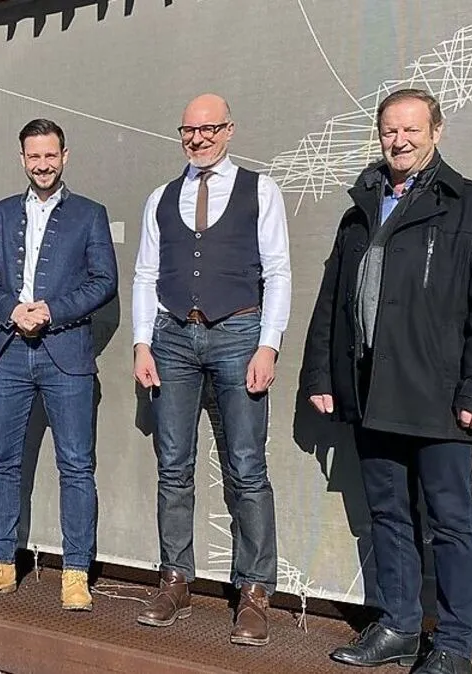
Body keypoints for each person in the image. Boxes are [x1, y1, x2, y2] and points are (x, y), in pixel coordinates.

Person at [301, 88, 472, 674]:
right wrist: (323, 374)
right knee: (389, 514)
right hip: (371, 390)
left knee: (451, 521)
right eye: (389, 131)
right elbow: (333, 301)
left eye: (411, 130)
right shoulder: (360, 210)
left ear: (436, 132)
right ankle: (398, 627)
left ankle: (453, 646)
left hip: (440, 397)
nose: (399, 141)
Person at [131, 94, 292, 645]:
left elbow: (278, 272)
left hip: (239, 335)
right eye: (188, 131)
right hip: (173, 337)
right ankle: (175, 579)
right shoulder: (160, 198)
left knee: (246, 466)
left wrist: (268, 345)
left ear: (229, 130)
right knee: (173, 465)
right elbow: (146, 274)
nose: (198, 139)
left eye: (209, 129)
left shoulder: (260, 190)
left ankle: (254, 590)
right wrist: (142, 342)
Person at [0, 118, 118, 611]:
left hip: (66, 353)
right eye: (34, 156)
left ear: (64, 156)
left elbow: (103, 281)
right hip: (9, 351)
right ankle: (0, 564)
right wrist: (13, 310)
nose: (42, 165)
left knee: (76, 465)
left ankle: (76, 572)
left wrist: (50, 310)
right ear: (22, 159)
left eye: (50, 155)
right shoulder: (1, 214)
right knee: (2, 460)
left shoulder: (90, 214)